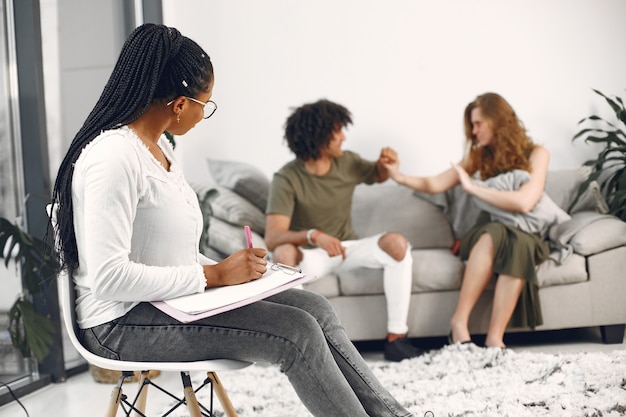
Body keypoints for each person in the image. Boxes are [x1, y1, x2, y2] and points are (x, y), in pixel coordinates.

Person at [48, 23, 415, 417]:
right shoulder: (113, 158)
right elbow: (109, 278)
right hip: (120, 325)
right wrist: (216, 276)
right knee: (296, 333)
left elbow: (171, 254)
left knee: (316, 309)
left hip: (166, 303)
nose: (206, 114)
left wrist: (238, 273)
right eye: (206, 104)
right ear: (180, 104)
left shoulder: (162, 150)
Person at [384, 92, 552, 349]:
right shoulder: (478, 157)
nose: (473, 132)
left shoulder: (537, 154)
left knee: (519, 243)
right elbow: (436, 183)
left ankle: (495, 337)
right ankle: (459, 323)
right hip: (486, 231)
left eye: (478, 124)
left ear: (498, 121)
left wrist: (473, 189)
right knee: (494, 233)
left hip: (525, 232)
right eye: (472, 125)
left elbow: (524, 202)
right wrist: (399, 176)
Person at [264, 99, 423, 362]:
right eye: (337, 131)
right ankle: (302, 344)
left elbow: (377, 174)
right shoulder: (287, 178)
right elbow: (273, 235)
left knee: (397, 243)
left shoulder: (347, 162)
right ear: (318, 136)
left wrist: (386, 163)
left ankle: (397, 339)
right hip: (312, 256)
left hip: (349, 249)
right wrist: (313, 235)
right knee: (282, 253)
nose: (343, 137)